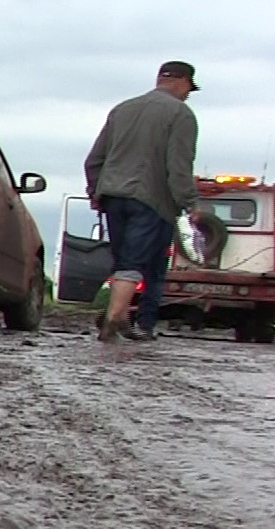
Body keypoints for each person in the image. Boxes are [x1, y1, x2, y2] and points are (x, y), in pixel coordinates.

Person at [83, 60, 205, 342]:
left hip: (113, 196)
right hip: (151, 199)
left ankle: (122, 317)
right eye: (189, 88)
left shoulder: (123, 109)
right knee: (136, 262)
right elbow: (179, 166)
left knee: (123, 259)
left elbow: (94, 159)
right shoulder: (181, 115)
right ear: (183, 82)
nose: (188, 94)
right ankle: (112, 322)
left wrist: (95, 193)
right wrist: (191, 203)